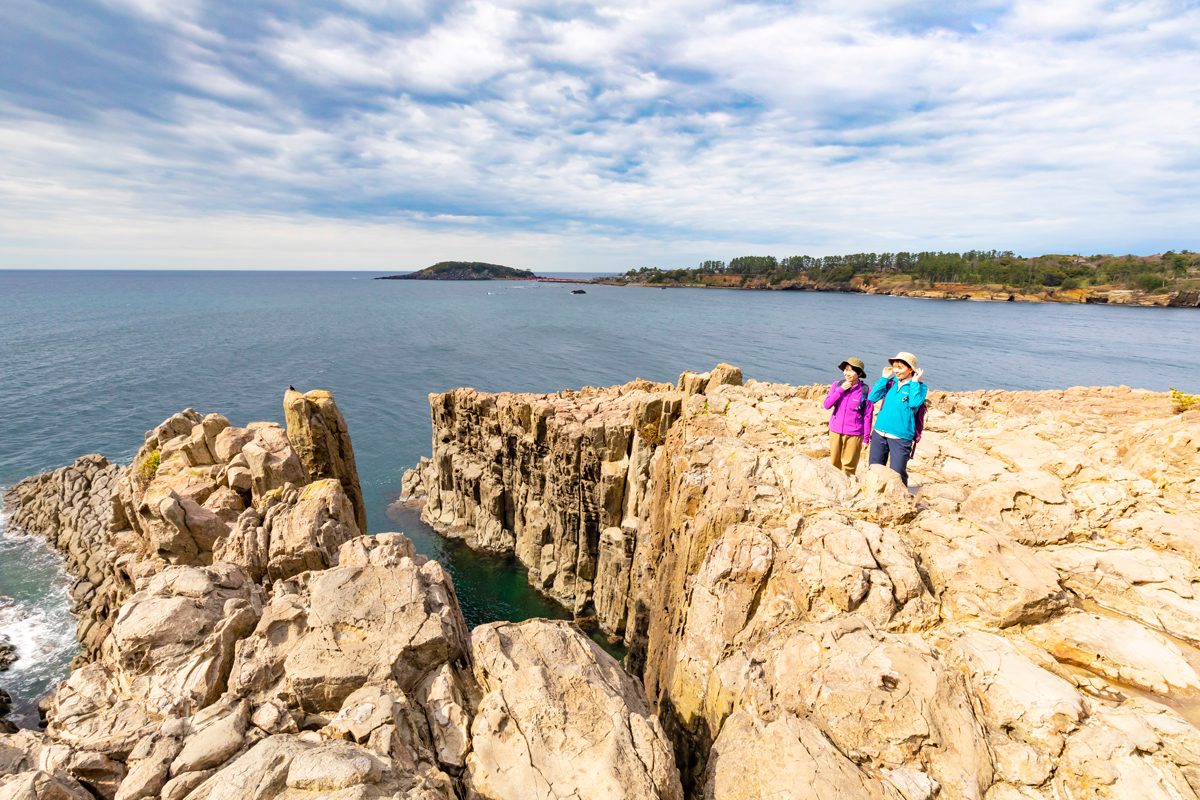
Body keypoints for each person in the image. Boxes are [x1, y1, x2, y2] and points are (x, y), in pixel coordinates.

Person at [867, 351, 927, 486]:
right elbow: (872, 397)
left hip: (901, 436)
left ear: (911, 369)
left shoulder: (920, 387)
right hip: (879, 432)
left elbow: (915, 403)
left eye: (900, 367)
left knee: (897, 475)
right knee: (875, 470)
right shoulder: (889, 382)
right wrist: (883, 378)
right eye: (894, 367)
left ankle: (900, 502)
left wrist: (915, 382)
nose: (896, 370)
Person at [824, 357, 873, 477]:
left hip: (855, 434)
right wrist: (840, 390)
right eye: (846, 370)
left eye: (851, 370)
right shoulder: (837, 385)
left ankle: (849, 488)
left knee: (849, 466)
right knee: (833, 464)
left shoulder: (866, 391)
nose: (847, 373)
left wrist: (866, 438)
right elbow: (827, 405)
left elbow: (868, 416)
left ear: (859, 373)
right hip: (835, 431)